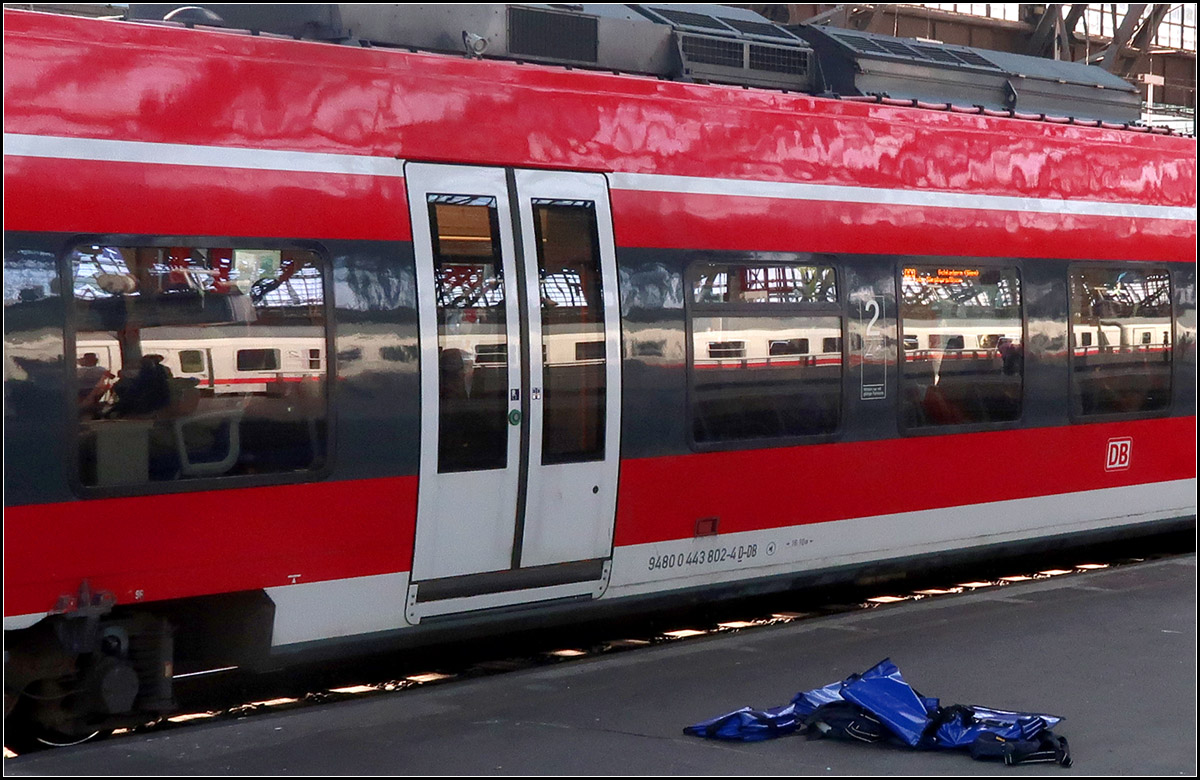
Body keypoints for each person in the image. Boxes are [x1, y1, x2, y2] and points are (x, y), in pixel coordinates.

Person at [106, 354, 173, 418]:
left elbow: (136, 391)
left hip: (147, 405)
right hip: (156, 403)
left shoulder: (147, 377)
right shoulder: (160, 375)